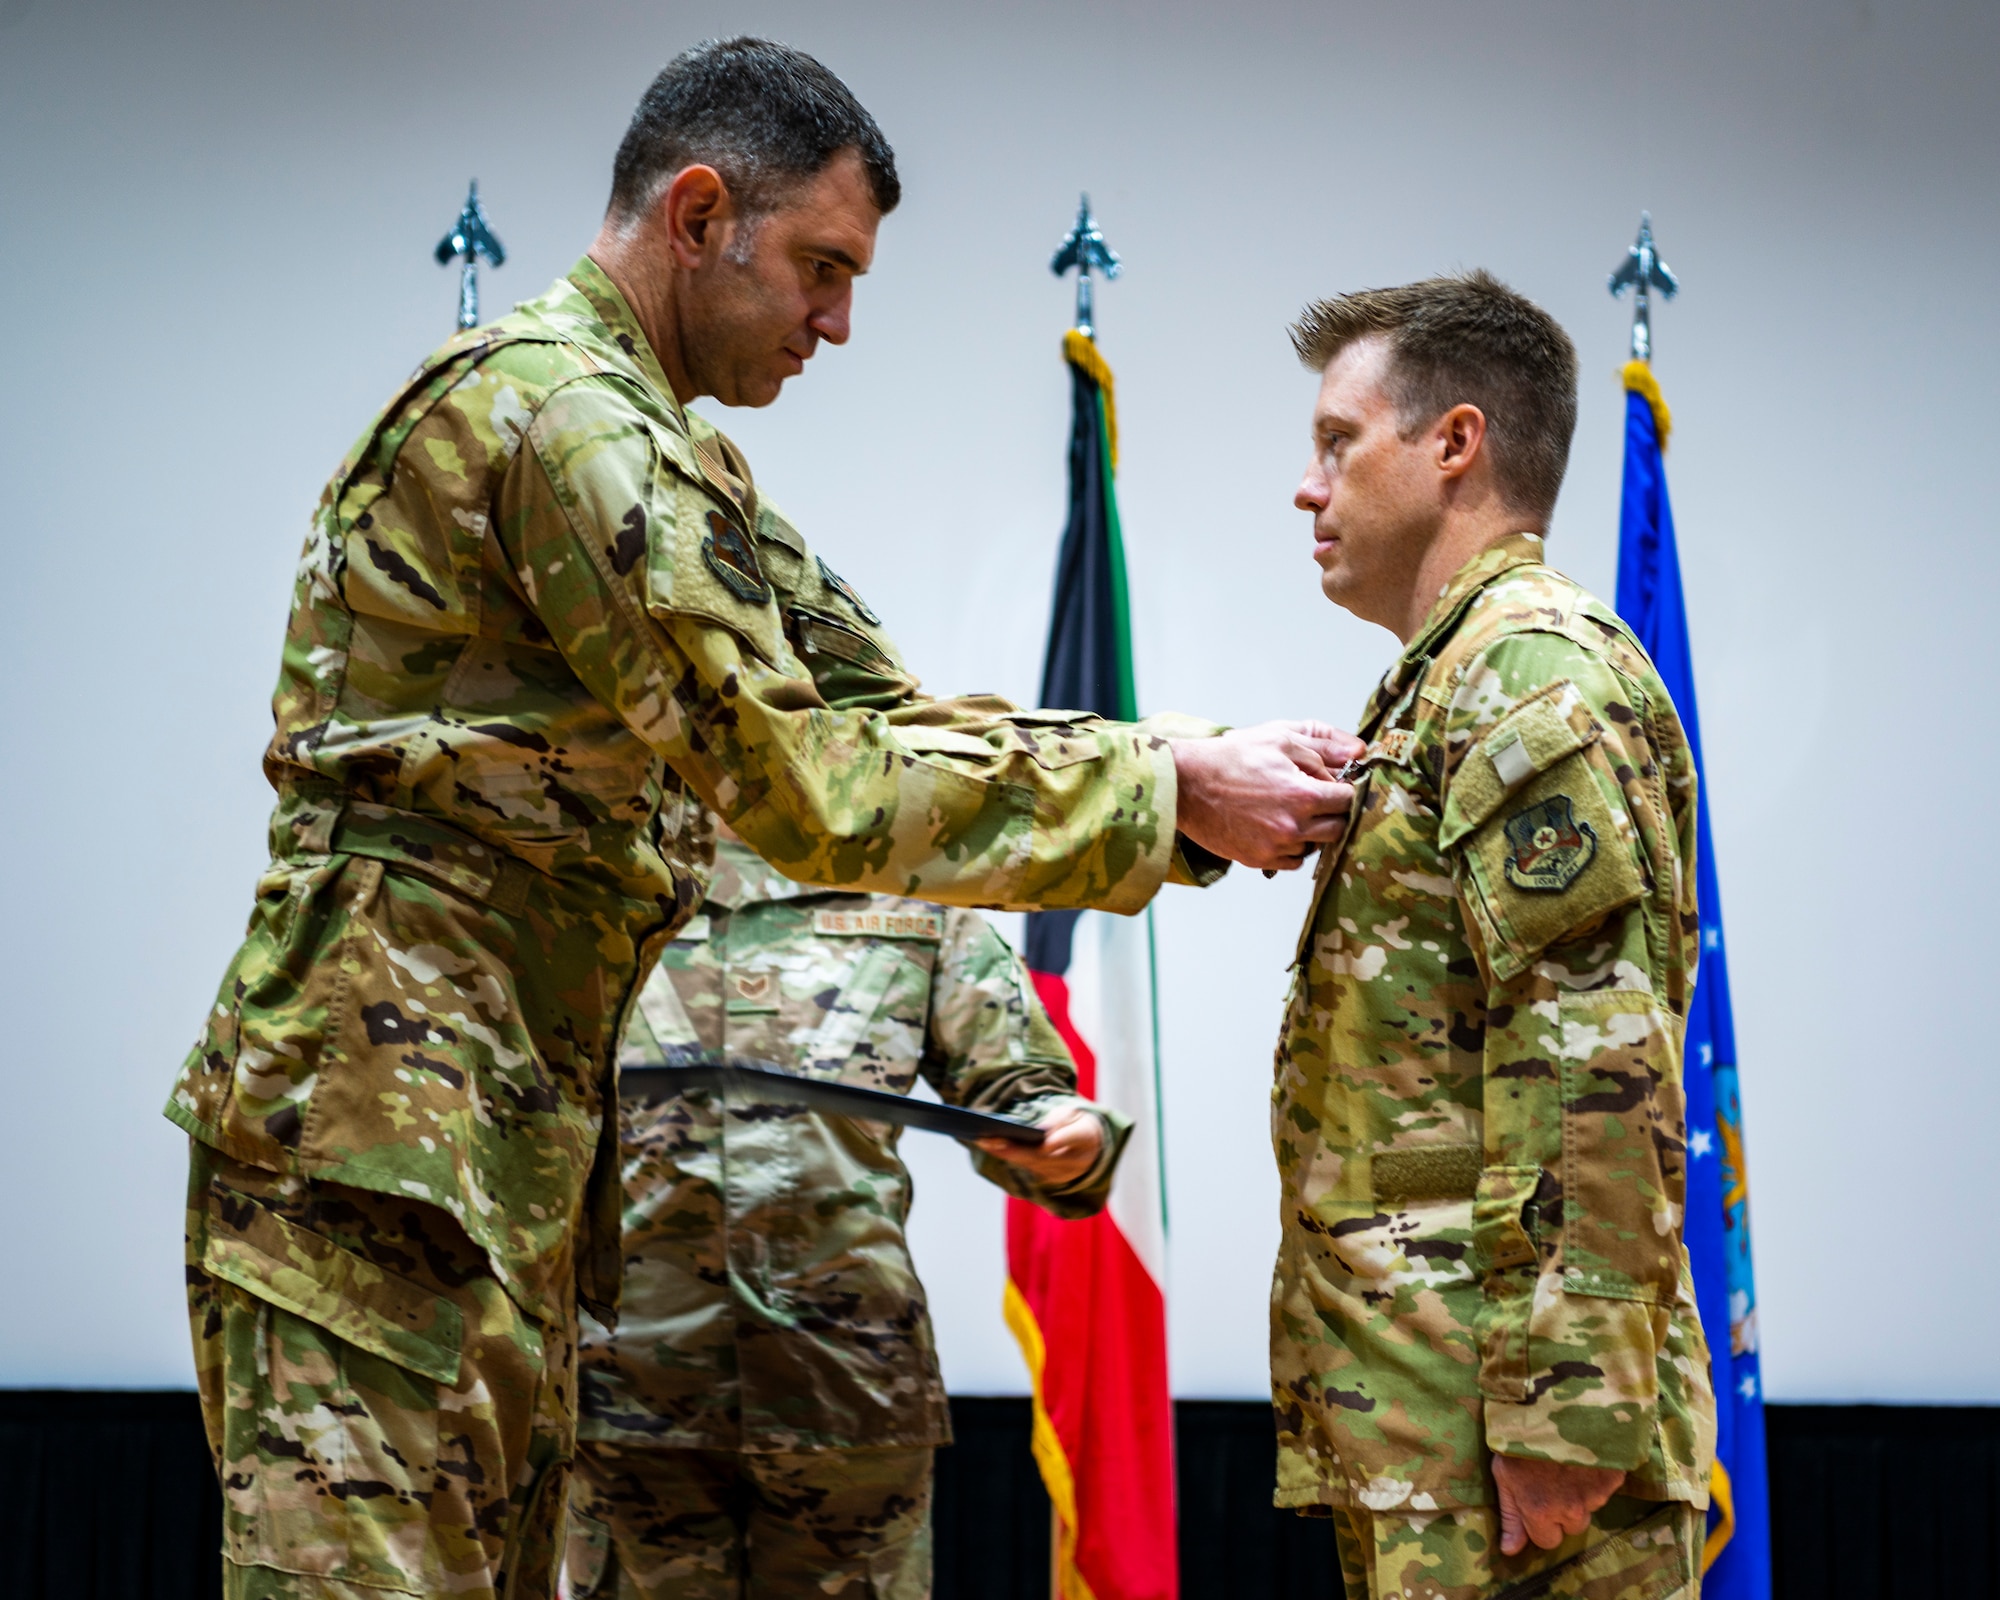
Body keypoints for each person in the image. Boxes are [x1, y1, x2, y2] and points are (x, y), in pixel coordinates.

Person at [167, 37, 1358, 1600]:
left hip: (493, 1166)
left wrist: (1182, 759)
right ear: (699, 212)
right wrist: (1166, 796)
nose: (838, 321)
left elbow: (873, 709)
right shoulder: (555, 422)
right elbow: (803, 787)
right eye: (819, 265)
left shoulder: (670, 454)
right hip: (377, 1163)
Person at [1267, 272, 1718, 1600]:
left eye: (1339, 442)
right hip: (1436, 1433)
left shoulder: (1532, 678)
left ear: (1455, 444)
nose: (1309, 486)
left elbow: (1594, 1065)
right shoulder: (1447, 682)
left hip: (1514, 1465)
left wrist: (1566, 1417)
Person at [562, 826, 1120, 1598]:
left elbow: (1018, 1087)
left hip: (848, 1382)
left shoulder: (914, 887)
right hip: (627, 1387)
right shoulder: (594, 872)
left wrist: (1068, 1134)